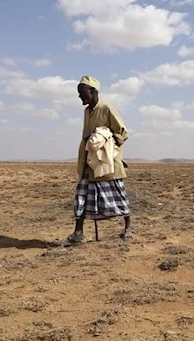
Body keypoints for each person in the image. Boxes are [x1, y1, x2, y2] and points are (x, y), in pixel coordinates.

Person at [56, 76, 132, 246]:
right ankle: (78, 233)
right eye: (79, 94)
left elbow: (122, 132)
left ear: (93, 91)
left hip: (107, 161)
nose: (80, 97)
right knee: (81, 195)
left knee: (117, 194)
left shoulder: (106, 108)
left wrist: (107, 143)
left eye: (82, 93)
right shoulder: (86, 111)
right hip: (88, 160)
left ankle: (128, 227)